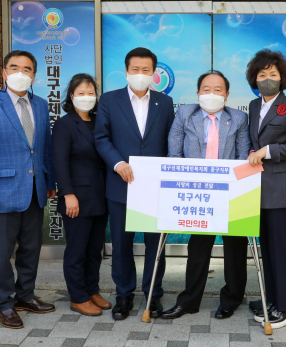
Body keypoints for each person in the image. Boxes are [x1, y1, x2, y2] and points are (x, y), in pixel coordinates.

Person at [0, 50, 57, 329]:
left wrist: (50, 181)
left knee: (31, 249)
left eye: (28, 69)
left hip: (35, 189)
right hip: (2, 191)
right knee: (1, 252)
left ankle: (26, 296)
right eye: (15, 67)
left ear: (34, 76)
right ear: (4, 72)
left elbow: (45, 148)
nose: (22, 73)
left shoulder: (42, 105)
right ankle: (5, 304)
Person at [161, 70, 250, 320]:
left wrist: (234, 187)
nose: (212, 94)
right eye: (207, 89)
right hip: (197, 194)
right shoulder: (185, 114)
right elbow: (174, 152)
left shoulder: (239, 118)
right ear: (198, 92)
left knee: (235, 248)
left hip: (230, 192)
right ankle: (189, 301)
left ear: (227, 94)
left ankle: (231, 299)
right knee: (198, 248)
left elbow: (243, 156)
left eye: (218, 89)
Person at [95, 47, 174, 321]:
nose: (141, 75)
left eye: (146, 70)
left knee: (156, 245)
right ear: (127, 71)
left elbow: (170, 141)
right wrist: (118, 163)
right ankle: (124, 295)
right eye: (135, 70)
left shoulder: (164, 102)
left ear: (154, 73)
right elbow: (101, 138)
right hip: (121, 185)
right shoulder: (109, 100)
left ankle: (153, 294)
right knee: (121, 243)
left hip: (155, 187)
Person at [246, 49, 286, 329]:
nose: (268, 79)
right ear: (254, 79)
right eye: (262, 75)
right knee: (267, 250)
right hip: (258, 189)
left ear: (282, 78)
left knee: (281, 251)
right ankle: (271, 297)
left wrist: (267, 150)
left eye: (273, 74)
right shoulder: (252, 105)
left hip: (283, 190)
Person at [52, 74, 110, 316]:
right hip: (76, 197)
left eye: (90, 93)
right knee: (76, 250)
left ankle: (91, 290)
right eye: (81, 93)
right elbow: (60, 163)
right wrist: (68, 195)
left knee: (94, 249)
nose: (86, 97)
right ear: (71, 96)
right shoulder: (65, 124)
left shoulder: (100, 121)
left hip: (100, 195)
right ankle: (77, 296)